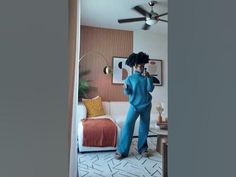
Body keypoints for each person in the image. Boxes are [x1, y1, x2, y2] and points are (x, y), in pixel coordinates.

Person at [115, 52, 154, 160]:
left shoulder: (146, 77)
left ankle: (143, 149)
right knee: (127, 125)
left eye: (143, 66)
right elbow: (128, 92)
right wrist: (126, 88)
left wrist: (149, 78)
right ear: (135, 66)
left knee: (144, 127)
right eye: (141, 66)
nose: (142, 68)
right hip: (134, 106)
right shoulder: (129, 78)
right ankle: (122, 151)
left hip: (146, 105)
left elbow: (150, 89)